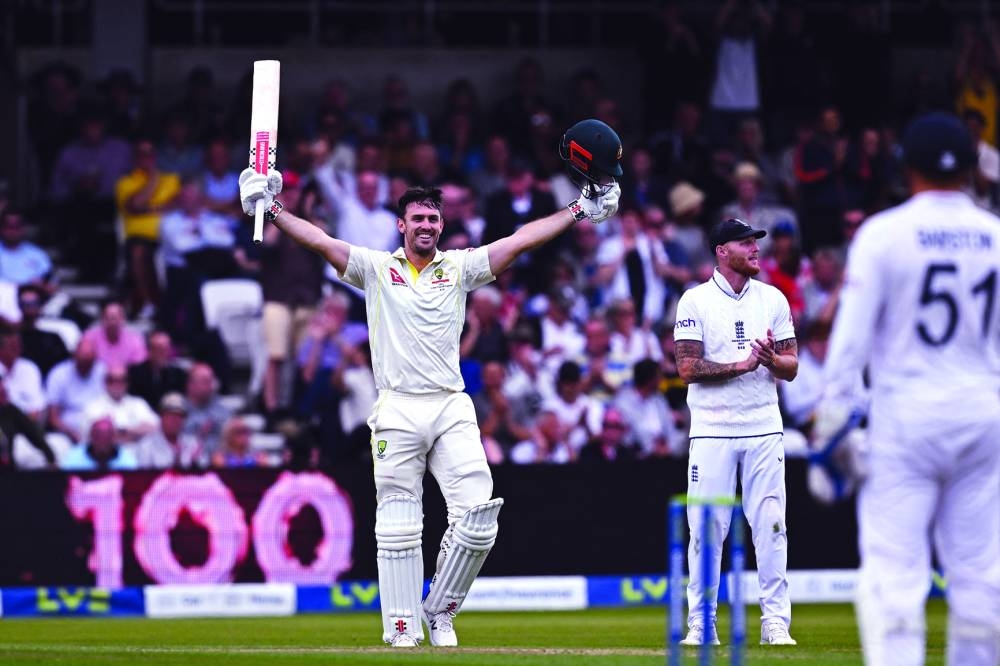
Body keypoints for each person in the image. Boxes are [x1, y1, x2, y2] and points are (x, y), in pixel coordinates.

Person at [239, 117, 621, 648]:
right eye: (418, 218)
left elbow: (520, 241)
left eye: (434, 219)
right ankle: (401, 630)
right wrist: (272, 210)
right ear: (401, 224)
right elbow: (323, 243)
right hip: (395, 407)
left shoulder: (460, 268)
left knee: (480, 516)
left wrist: (579, 210)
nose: (427, 226)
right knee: (398, 524)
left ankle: (439, 610)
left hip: (449, 406)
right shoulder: (376, 268)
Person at [818, 112, 1000, 666]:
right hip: (983, 413)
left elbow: (847, 344)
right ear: (972, 168)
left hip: (906, 416)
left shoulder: (883, 235)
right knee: (983, 582)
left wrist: (834, 423)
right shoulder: (996, 235)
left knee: (893, 582)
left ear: (907, 169)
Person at [673, 217, 798, 646]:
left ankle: (774, 622)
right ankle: (701, 622)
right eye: (746, 243)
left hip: (764, 426)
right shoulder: (695, 301)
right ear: (722, 250)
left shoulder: (773, 298)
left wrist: (769, 361)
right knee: (707, 529)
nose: (755, 249)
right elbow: (687, 368)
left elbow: (792, 366)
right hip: (711, 430)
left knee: (771, 525)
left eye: (755, 243)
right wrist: (740, 366)